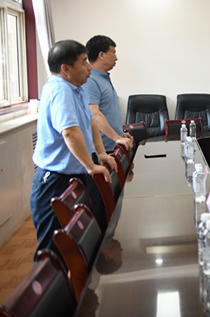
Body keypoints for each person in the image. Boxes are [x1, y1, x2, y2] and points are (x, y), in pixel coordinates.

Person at [31, 40, 116, 259]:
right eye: (84, 62)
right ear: (65, 69)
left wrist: (100, 154)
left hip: (72, 176)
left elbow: (90, 121)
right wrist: (91, 166)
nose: (89, 67)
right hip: (54, 181)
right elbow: (69, 132)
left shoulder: (75, 89)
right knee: (52, 251)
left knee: (74, 245)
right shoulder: (60, 90)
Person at [82, 35, 133, 153]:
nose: (116, 58)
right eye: (113, 53)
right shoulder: (90, 80)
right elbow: (94, 113)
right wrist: (116, 138)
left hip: (113, 146)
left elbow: (108, 112)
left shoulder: (103, 77)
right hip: (101, 151)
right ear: (101, 55)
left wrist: (119, 134)